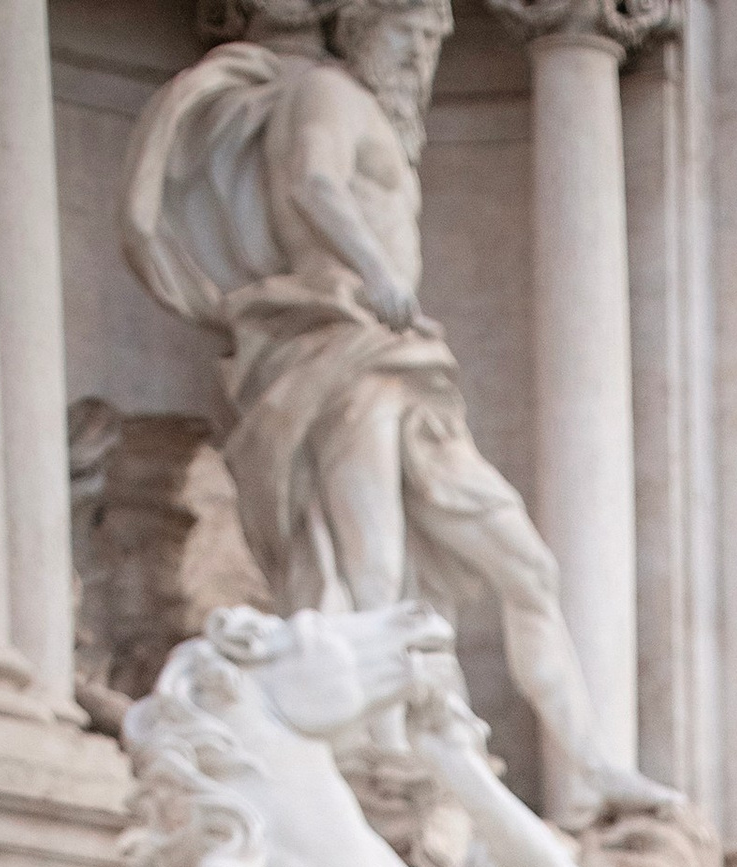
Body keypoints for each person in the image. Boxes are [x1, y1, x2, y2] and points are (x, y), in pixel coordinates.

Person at [123, 0, 670, 819]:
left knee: (527, 565)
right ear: (367, 28)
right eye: (413, 36)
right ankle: (376, 769)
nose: (422, 56)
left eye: (434, 43)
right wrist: (376, 269)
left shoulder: (375, 111)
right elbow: (311, 180)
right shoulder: (329, 95)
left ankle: (588, 766)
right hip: (339, 347)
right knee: (371, 569)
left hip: (398, 359)